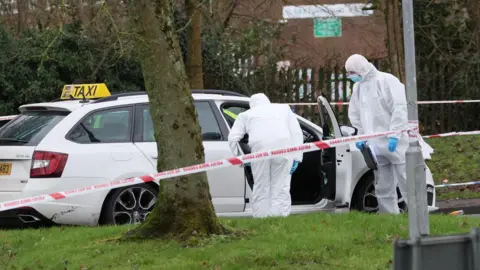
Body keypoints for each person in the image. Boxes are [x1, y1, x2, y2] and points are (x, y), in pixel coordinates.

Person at [346, 54, 409, 214]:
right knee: (382, 185)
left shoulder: (386, 81)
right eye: (348, 73)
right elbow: (356, 114)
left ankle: (418, 219)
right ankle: (389, 218)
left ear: (361, 68)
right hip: (375, 145)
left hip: (395, 143)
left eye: (352, 72)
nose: (351, 76)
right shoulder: (358, 88)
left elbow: (399, 108)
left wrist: (395, 134)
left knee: (407, 181)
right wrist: (361, 136)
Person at [228, 93, 303, 218]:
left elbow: (233, 139)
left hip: (259, 152)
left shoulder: (245, 115)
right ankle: (280, 219)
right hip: (283, 150)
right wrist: (297, 157)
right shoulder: (284, 109)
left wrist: (242, 158)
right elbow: (296, 133)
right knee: (281, 187)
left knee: (261, 187)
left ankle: (261, 219)